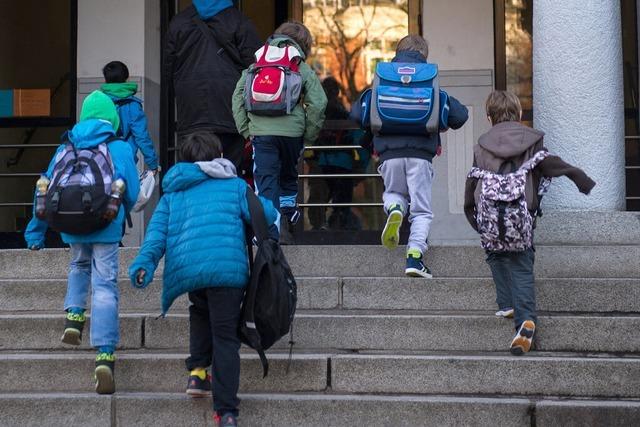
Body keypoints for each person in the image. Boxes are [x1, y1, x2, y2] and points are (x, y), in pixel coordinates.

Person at [128, 132, 276, 427]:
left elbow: (157, 234)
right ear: (219, 154)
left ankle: (197, 373)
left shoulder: (174, 191)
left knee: (199, 311)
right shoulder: (234, 186)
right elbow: (266, 214)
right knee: (225, 337)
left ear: (184, 159)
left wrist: (144, 263)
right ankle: (226, 411)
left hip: (189, 271)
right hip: (227, 271)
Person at [24, 91, 140, 394]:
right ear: (112, 118)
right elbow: (132, 192)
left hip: (71, 224)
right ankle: (104, 353)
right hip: (106, 224)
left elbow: (44, 187)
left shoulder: (67, 144)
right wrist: (119, 208)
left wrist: (35, 232)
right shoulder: (119, 147)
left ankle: (74, 318)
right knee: (105, 284)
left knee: (78, 264)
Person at [464, 90, 596, 355]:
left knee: (495, 255)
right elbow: (551, 165)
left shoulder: (481, 147)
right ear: (519, 113)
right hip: (522, 216)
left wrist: (473, 216)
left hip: (491, 219)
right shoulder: (533, 142)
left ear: (489, 117)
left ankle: (506, 303)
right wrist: (580, 178)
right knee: (522, 264)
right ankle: (525, 319)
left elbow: (472, 185)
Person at [359, 35, 468, 278]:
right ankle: (415, 257)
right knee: (421, 211)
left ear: (397, 53)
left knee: (394, 192)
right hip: (420, 157)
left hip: (388, 156)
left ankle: (396, 208)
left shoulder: (382, 79)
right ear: (424, 56)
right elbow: (460, 116)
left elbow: (358, 114)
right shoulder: (429, 82)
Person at [232, 21, 328, 242]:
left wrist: (247, 130)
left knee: (265, 181)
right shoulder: (298, 64)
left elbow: (237, 96)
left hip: (262, 135)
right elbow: (319, 102)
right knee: (287, 177)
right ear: (304, 44)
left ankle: (269, 233)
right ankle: (288, 210)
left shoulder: (258, 63)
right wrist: (309, 135)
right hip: (292, 134)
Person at [164, 0, 261, 172]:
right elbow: (255, 65)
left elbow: (168, 67)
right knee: (230, 169)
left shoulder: (179, 21)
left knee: (192, 169)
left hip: (191, 109)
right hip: (230, 107)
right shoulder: (238, 20)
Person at [307, 77, 363, 231]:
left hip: (323, 163)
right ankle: (337, 228)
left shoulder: (319, 111)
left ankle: (320, 228)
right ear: (337, 92)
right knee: (341, 203)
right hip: (341, 163)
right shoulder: (344, 114)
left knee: (319, 201)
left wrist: (311, 158)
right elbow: (355, 138)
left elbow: (311, 138)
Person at [101, 60, 159, 173]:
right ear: (126, 79)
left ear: (106, 80)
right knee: (124, 190)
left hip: (100, 160)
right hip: (124, 162)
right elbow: (142, 137)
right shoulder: (132, 105)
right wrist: (153, 164)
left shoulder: (98, 101)